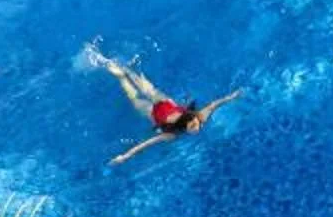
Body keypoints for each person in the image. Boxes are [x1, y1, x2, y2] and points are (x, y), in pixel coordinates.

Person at [102, 54, 243, 165]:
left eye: (196, 125)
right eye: (194, 125)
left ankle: (121, 75)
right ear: (184, 122)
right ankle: (126, 68)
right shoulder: (174, 132)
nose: (197, 128)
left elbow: (214, 105)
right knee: (147, 89)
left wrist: (232, 97)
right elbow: (146, 144)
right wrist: (125, 156)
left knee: (135, 98)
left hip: (153, 112)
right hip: (164, 103)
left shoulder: (188, 123)